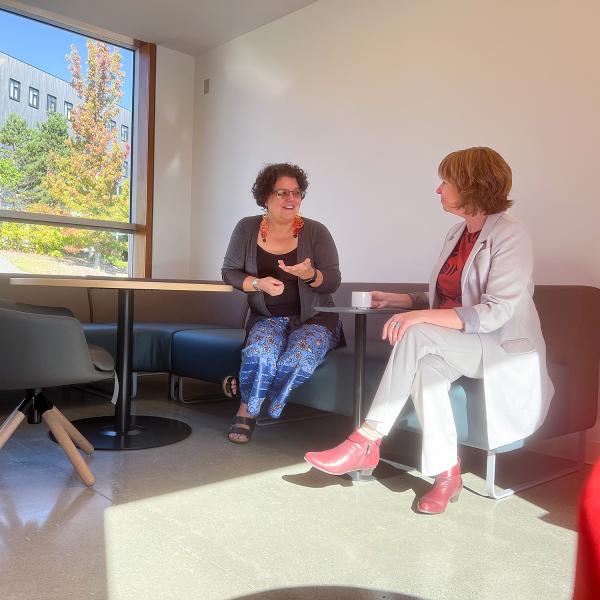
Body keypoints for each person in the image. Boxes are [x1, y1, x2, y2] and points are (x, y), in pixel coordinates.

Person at [304, 146, 554, 514]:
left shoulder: (512, 235)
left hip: (499, 346)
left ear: (472, 185)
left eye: (446, 182)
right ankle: (447, 474)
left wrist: (419, 320)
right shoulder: (457, 233)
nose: (439, 190)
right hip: (461, 342)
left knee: (418, 335)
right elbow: (447, 298)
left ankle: (367, 439)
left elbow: (497, 311)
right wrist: (398, 301)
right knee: (427, 369)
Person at [222, 163, 343, 443]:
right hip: (266, 317)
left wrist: (311, 274)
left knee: (298, 358)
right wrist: (258, 283)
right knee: (260, 353)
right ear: (265, 196)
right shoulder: (247, 228)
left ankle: (252, 396)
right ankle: (247, 411)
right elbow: (229, 271)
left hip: (315, 319)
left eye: (296, 192)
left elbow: (334, 279)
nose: (291, 199)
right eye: (282, 193)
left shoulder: (316, 232)